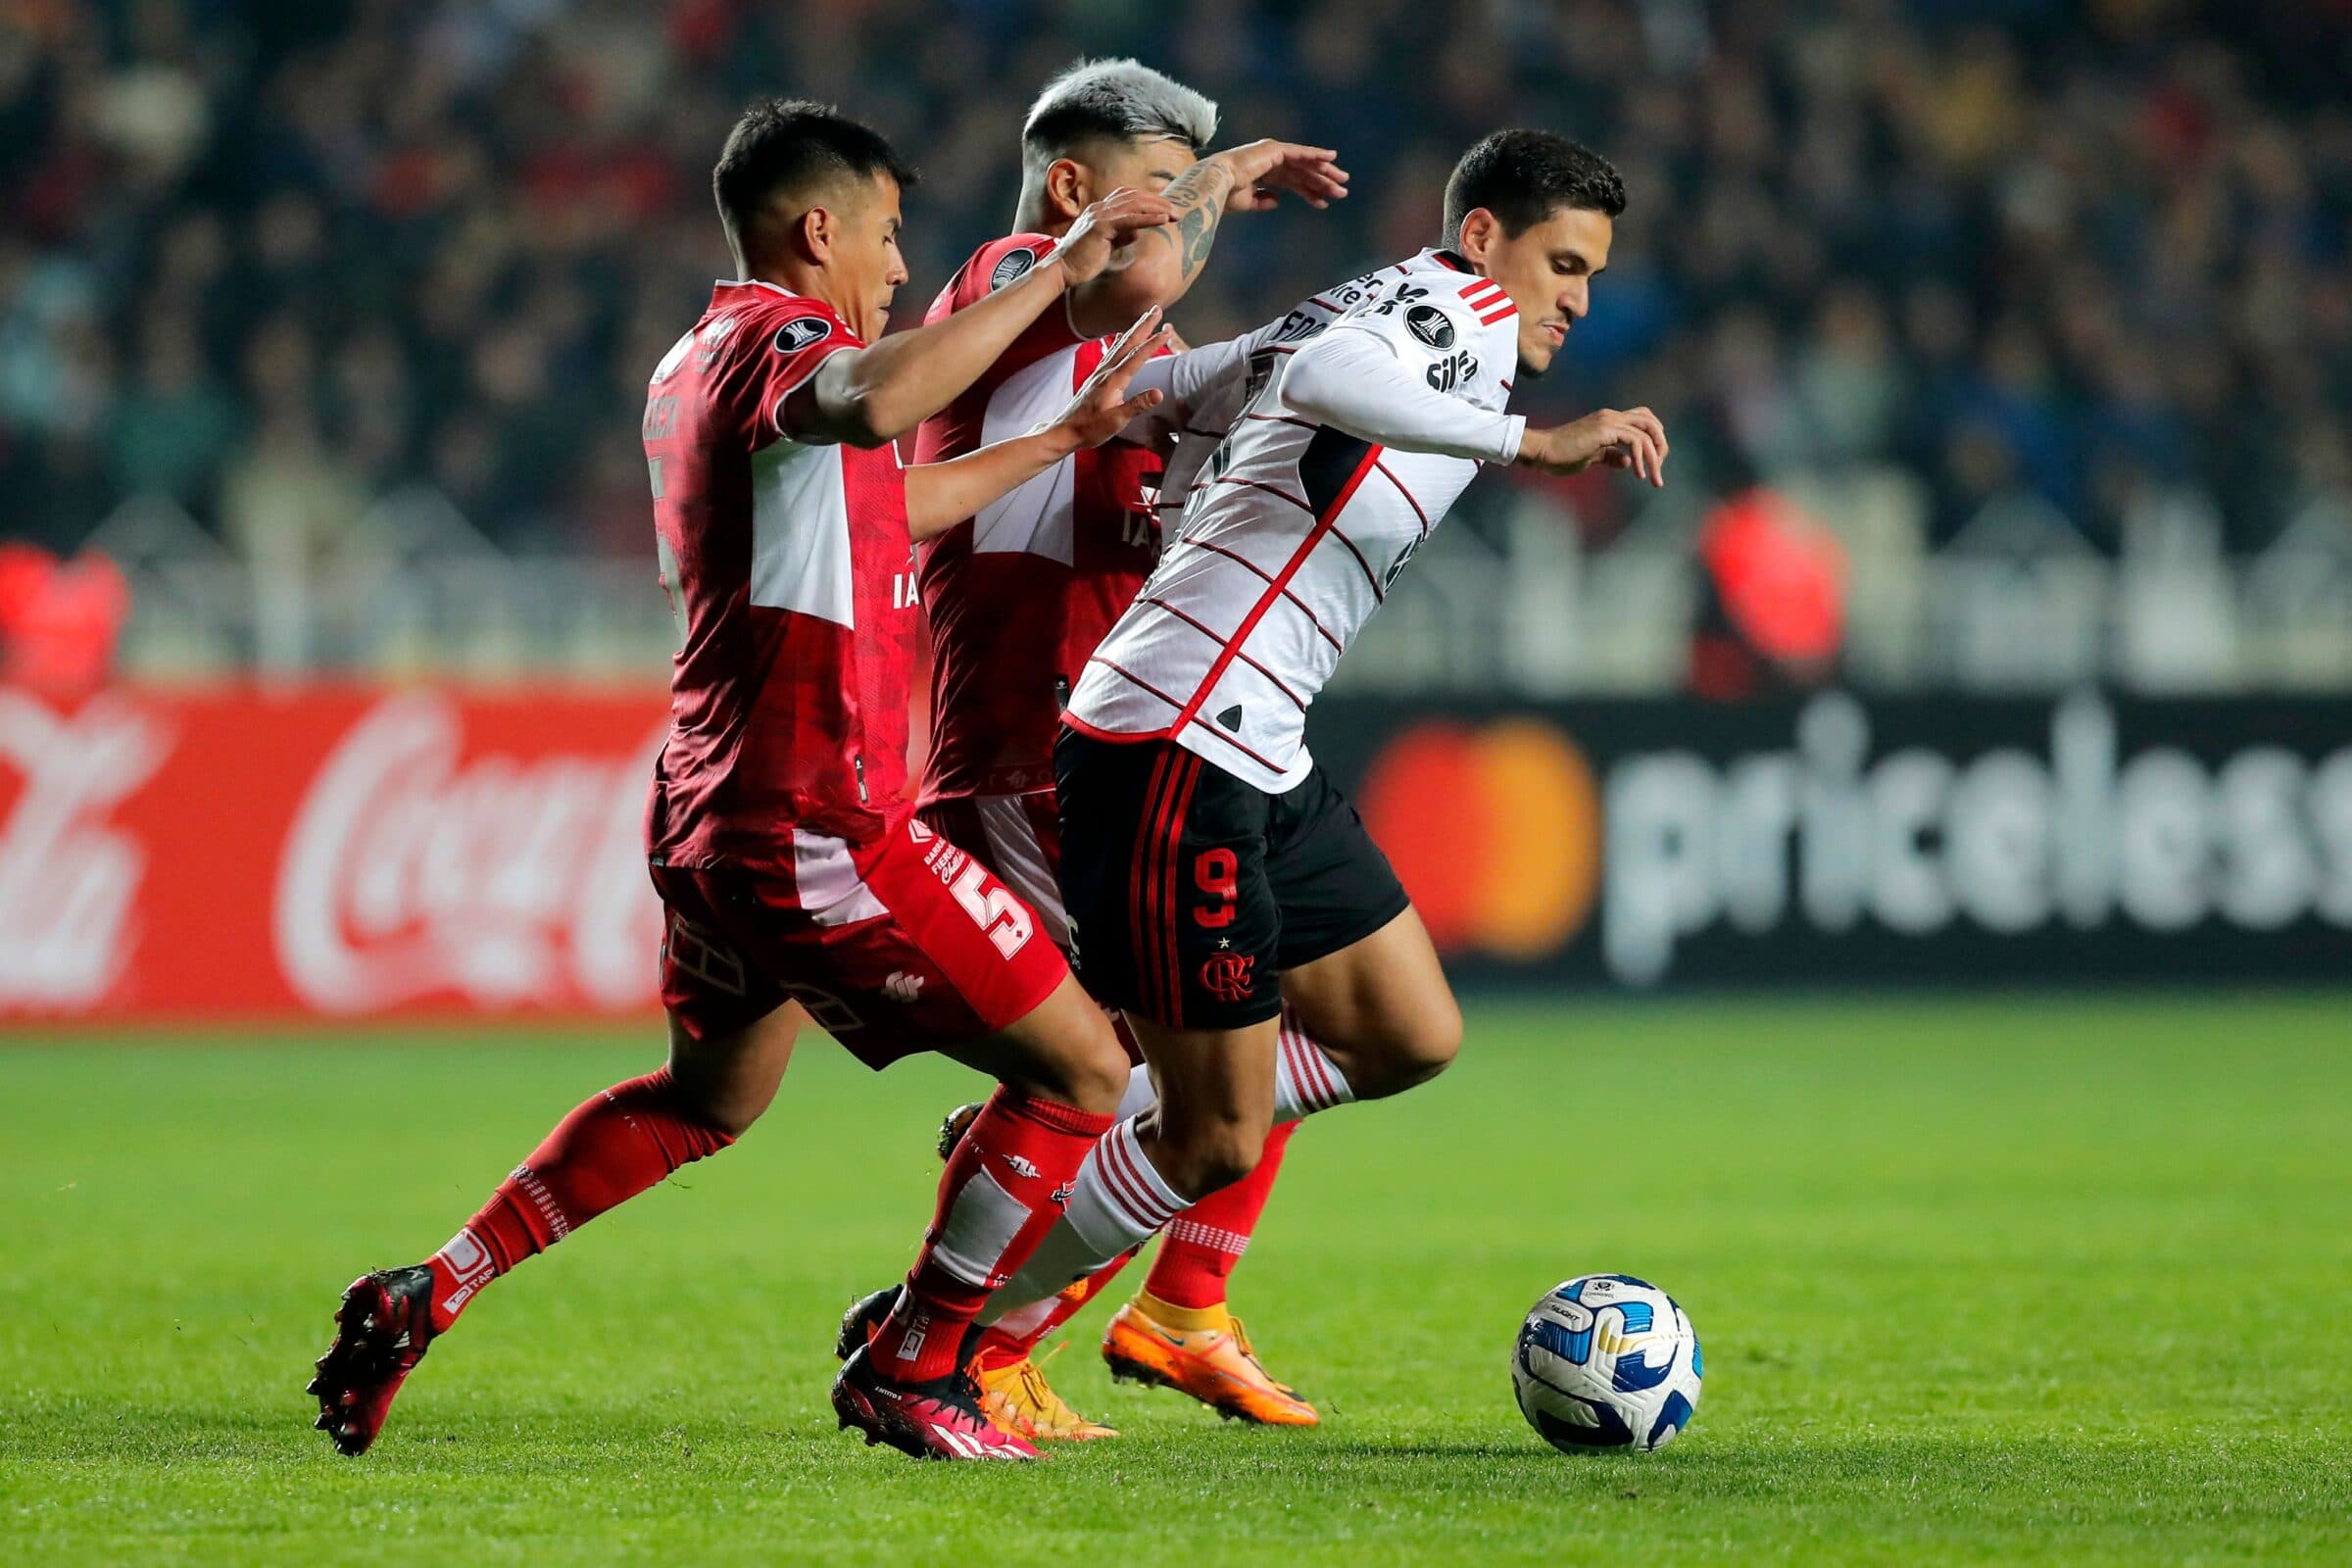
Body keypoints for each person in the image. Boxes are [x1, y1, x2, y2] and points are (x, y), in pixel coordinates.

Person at [308, 98, 1177, 1465]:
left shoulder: (685, 360)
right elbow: (882, 394)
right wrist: (1064, 267)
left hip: (707, 810)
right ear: (816, 227)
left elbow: (894, 496)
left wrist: (1064, 443)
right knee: (1082, 1065)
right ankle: (917, 1366)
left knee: (705, 1102)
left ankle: (438, 1285)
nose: (898, 270)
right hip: (812, 813)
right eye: (887, 240)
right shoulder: (788, 340)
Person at [959, 128, 1669, 1335]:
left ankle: (1121, 1122)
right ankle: (951, 1324)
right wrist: (1532, 443)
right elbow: (1327, 376)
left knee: (1408, 1031)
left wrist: (1151, 412)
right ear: (1487, 237)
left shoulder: (1391, 302)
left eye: (1590, 274)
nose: (1578, 300)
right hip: (1181, 733)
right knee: (1217, 1133)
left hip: (1248, 736)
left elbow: (1229, 369)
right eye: (1564, 264)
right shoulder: (1456, 314)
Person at [853, 58, 1348, 1441]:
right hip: (1029, 740)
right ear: (1076, 189)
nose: (1200, 228)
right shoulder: (1018, 272)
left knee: (1278, 1002)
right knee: (1167, 1069)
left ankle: (1179, 1308)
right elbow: (1127, 269)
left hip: (1113, 736)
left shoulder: (1123, 361)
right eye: (1170, 190)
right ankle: (981, 1338)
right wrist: (1226, 169)